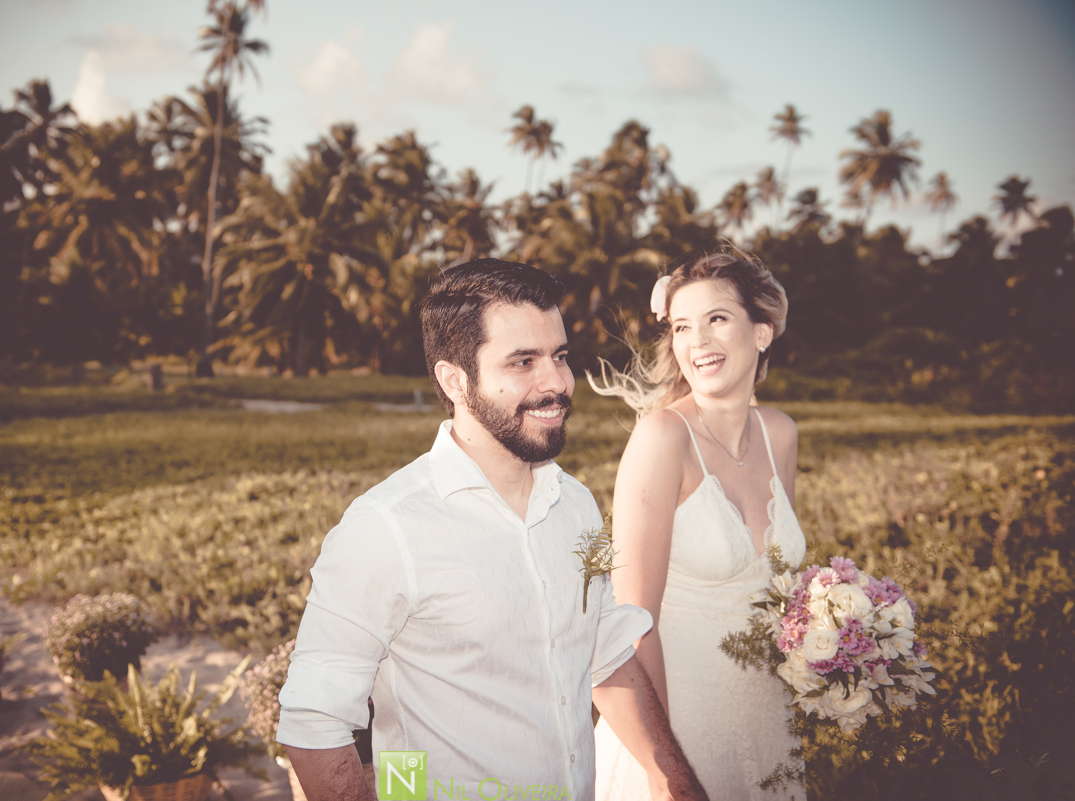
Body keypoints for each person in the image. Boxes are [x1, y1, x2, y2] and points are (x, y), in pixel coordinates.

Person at [277, 259, 708, 801]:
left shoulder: (575, 505)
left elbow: (605, 651)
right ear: (455, 380)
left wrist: (674, 780)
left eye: (560, 357)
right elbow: (313, 722)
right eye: (522, 362)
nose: (556, 383)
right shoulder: (385, 528)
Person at [591, 251, 807, 801]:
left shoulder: (780, 432)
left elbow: (777, 586)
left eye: (717, 319)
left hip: (767, 720)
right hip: (680, 720)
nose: (697, 341)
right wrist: (667, 772)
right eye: (682, 326)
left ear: (761, 333)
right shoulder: (663, 438)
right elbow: (630, 622)